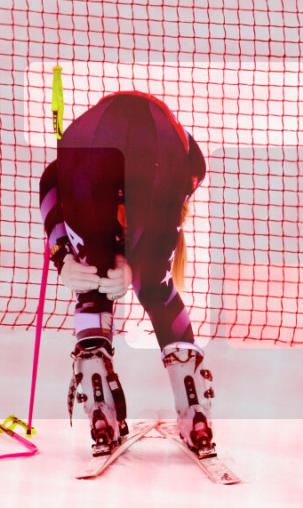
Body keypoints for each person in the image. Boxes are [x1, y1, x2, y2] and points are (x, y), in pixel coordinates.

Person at [38, 91, 216, 457]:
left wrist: (63, 256)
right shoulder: (187, 169)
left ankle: (99, 406)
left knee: (93, 281)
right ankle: (193, 408)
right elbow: (150, 223)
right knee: (155, 287)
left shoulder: (181, 169)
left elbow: (49, 181)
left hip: (84, 145)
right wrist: (135, 264)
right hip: (155, 149)